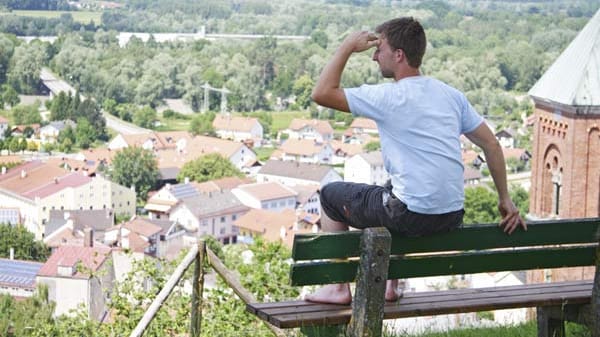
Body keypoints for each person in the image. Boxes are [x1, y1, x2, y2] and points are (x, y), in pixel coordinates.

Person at [305, 17, 527, 305]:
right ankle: (390, 286)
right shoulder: (451, 96)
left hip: (411, 215)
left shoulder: (388, 96)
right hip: (451, 213)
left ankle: (336, 287)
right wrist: (505, 199)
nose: (374, 55)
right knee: (393, 189)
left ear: (399, 55)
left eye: (379, 49)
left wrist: (347, 46)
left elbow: (321, 93)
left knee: (329, 195)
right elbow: (492, 144)